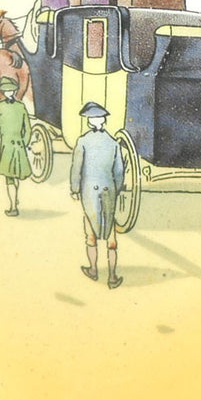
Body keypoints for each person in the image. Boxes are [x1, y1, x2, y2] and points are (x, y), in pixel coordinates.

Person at [69, 102, 125, 289]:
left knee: (90, 232)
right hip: (109, 190)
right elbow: (119, 171)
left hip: (89, 190)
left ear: (89, 122)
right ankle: (112, 276)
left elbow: (76, 168)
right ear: (104, 121)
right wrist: (116, 188)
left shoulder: (82, 141)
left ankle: (93, 270)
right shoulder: (113, 143)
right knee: (111, 235)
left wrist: (74, 189)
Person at [0, 75, 32, 216]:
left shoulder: (20, 107)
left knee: (12, 177)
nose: (9, 93)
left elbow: (28, 128)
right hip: (8, 146)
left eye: (11, 90)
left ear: (15, 91)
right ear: (3, 92)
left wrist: (24, 142)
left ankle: (13, 206)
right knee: (11, 177)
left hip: (15, 146)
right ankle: (13, 202)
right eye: (6, 91)